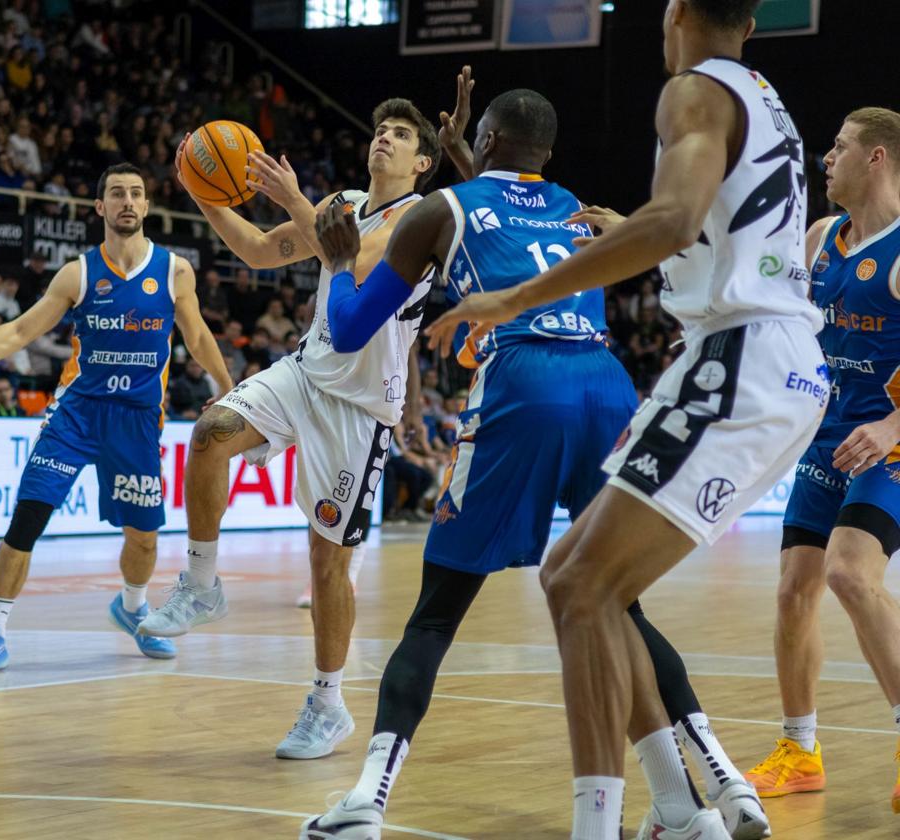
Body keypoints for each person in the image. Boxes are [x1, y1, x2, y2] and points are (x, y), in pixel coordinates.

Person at [303, 63, 777, 840]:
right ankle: (711, 789)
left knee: (435, 614)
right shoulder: (575, 207)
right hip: (608, 387)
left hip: (522, 384)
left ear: (483, 138)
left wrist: (333, 263)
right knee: (617, 604)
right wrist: (467, 153)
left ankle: (365, 800)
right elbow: (503, 208)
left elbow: (354, 328)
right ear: (546, 154)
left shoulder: (436, 211)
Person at [415, 4, 823, 837]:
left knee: (579, 583)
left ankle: (603, 825)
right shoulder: (761, 93)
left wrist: (515, 296)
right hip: (770, 357)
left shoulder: (692, 91)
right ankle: (678, 812)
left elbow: (672, 217)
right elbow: (703, 228)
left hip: (739, 355)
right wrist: (645, 235)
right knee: (579, 575)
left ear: (674, 12)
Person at [139, 98, 439, 762]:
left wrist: (299, 202)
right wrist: (200, 188)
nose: (383, 139)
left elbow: (358, 266)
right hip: (305, 373)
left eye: (400, 135)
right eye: (380, 129)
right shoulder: (341, 201)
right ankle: (202, 584)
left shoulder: (421, 217)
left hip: (360, 412)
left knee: (326, 565)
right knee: (211, 431)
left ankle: (328, 704)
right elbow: (252, 247)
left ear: (421, 162)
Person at [0, 163, 233, 669]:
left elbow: (196, 337)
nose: (128, 201)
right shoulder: (78, 272)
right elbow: (18, 332)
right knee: (28, 517)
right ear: (100, 207)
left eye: (137, 194)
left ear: (147, 207)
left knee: (143, 539)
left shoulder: (174, 271)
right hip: (76, 413)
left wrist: (227, 386)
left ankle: (131, 608)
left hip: (138, 418)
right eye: (117, 194)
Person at [743, 108, 900, 809]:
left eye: (838, 147)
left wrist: (894, 424)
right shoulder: (818, 240)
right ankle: (799, 751)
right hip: (826, 434)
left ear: (878, 158)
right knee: (791, 590)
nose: (825, 158)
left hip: (891, 439)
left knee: (847, 572)